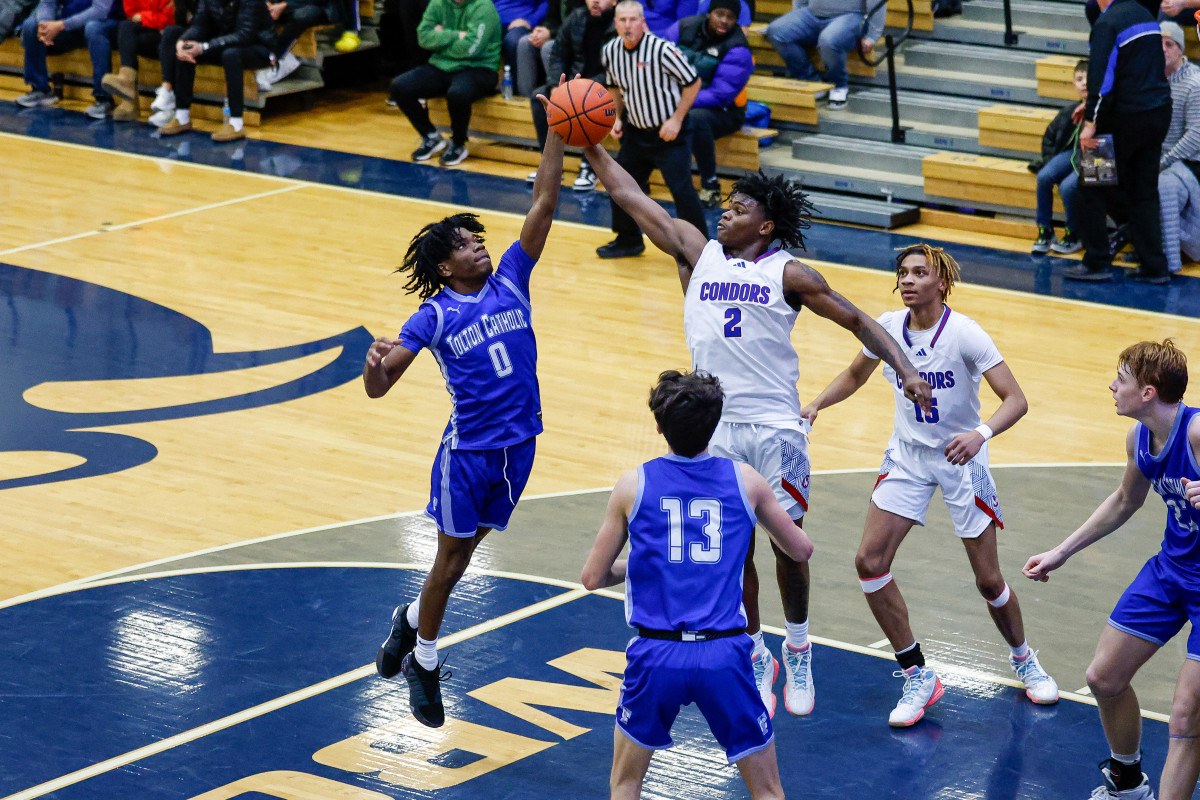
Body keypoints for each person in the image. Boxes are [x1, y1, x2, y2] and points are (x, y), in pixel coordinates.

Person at [582, 140, 934, 719]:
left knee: (788, 548)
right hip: (715, 425)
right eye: (726, 204)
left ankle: (798, 648)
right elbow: (629, 194)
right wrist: (588, 144)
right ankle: (755, 648)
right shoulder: (697, 252)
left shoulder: (788, 272)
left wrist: (907, 369)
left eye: (739, 208)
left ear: (766, 225)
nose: (725, 211)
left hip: (775, 427)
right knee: (733, 548)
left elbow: (859, 320)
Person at [799, 243, 1059, 728]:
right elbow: (856, 374)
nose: (909, 280)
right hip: (908, 456)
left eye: (920, 272)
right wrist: (816, 404)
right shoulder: (887, 327)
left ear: (942, 282)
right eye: (903, 272)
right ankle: (917, 674)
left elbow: (1015, 400)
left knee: (988, 579)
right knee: (869, 561)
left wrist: (979, 435)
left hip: (963, 459)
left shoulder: (965, 334)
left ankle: (1024, 658)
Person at [366, 116, 565, 729]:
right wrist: (371, 366)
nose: (479, 243)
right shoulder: (433, 315)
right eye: (464, 244)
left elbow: (546, 200)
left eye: (477, 238)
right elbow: (379, 389)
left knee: (460, 560)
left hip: (520, 445)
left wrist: (557, 130)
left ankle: (409, 621)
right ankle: (423, 663)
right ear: (446, 268)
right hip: (471, 451)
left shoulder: (511, 278)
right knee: (450, 561)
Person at [580, 368, 814, 800]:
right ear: (715, 425)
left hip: (657, 654)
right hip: (724, 655)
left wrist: (648, 563)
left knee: (625, 782)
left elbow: (593, 577)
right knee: (768, 791)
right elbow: (801, 551)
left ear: (658, 427)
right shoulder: (746, 481)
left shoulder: (633, 485)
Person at [1024, 339, 1200, 800]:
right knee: (1104, 677)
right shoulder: (1139, 437)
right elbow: (1126, 500)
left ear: (1147, 391)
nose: (1111, 385)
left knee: (1186, 718)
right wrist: (1062, 551)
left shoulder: (1198, 433)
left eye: (1120, 378)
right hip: (1172, 571)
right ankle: (1126, 779)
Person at [1064, 0, 1173, 284]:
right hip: (1157, 112)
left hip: (1125, 117)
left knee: (1089, 187)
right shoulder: (1145, 15)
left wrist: (1090, 122)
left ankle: (1097, 261)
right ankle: (1154, 265)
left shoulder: (1107, 23)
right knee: (1144, 191)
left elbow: (1102, 81)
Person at [596, 0, 708, 259]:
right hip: (636, 132)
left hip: (669, 133)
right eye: (622, 20)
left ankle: (702, 250)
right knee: (618, 185)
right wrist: (616, 118)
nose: (627, 25)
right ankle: (629, 240)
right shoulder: (611, 50)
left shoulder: (663, 50)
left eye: (633, 19)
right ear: (615, 23)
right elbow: (614, 87)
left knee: (682, 191)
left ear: (642, 22)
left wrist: (676, 119)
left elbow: (693, 82)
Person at [389, 0, 501, 166]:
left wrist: (441, 40)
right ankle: (431, 137)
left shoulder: (484, 7)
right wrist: (456, 35)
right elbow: (423, 37)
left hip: (479, 68)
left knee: (457, 93)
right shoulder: (437, 3)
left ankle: (458, 144)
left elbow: (470, 49)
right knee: (400, 86)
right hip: (441, 65)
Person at [667, 0, 753, 208]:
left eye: (730, 17)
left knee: (696, 119)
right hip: (679, 101)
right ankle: (638, 180)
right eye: (719, 14)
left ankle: (710, 184)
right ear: (709, 13)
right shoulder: (682, 27)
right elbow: (660, 59)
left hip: (724, 112)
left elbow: (719, 95)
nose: (724, 20)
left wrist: (678, 104)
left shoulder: (738, 48)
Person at [526, 0, 616, 191]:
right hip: (574, 83)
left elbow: (616, 66)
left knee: (587, 108)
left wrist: (582, 88)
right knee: (539, 97)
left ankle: (589, 167)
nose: (595, 1)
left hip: (606, 85)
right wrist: (554, 85)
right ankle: (550, 165)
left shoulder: (619, 22)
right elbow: (557, 54)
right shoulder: (576, 18)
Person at [155, 0, 273, 142]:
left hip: (260, 46)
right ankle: (182, 116)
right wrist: (184, 41)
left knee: (231, 55)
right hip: (226, 42)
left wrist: (205, 46)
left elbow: (245, 35)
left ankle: (236, 123)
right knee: (186, 51)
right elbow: (199, 25)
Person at [764, 0, 883, 109]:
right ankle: (809, 79)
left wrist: (872, 36)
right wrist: (798, 15)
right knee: (776, 31)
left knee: (829, 40)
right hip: (812, 13)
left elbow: (878, 2)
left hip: (850, 16)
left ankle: (838, 85)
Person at [16, 0, 122, 118]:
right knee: (31, 25)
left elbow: (100, 11)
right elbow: (47, 3)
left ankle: (104, 98)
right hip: (70, 25)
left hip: (105, 24)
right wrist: (44, 23)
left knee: (93, 28)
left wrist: (62, 25)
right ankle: (40, 89)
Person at [1029, 59, 1087, 255]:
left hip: (1093, 157)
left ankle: (1074, 233)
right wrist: (1050, 162)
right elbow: (1049, 138)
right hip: (1071, 156)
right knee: (1044, 176)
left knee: (1068, 186)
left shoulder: (1104, 110)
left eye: (1088, 79)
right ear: (1074, 84)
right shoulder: (1068, 112)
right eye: (1079, 79)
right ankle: (1045, 230)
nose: (1084, 83)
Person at [1158, 21, 1200, 274]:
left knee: (1164, 184)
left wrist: (1162, 163)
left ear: (1181, 49)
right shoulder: (1146, 77)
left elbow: (1197, 135)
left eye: (1169, 44)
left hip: (1189, 161)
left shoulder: (1195, 84)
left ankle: (1168, 259)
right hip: (1156, 156)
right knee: (1089, 180)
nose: (1163, 49)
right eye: (1158, 44)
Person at [98, 0, 173, 122]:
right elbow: (131, 15)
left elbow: (169, 18)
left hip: (166, 36)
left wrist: (143, 16)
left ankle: (130, 97)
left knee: (167, 34)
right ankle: (126, 83)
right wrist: (148, 18)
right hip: (147, 30)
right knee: (125, 26)